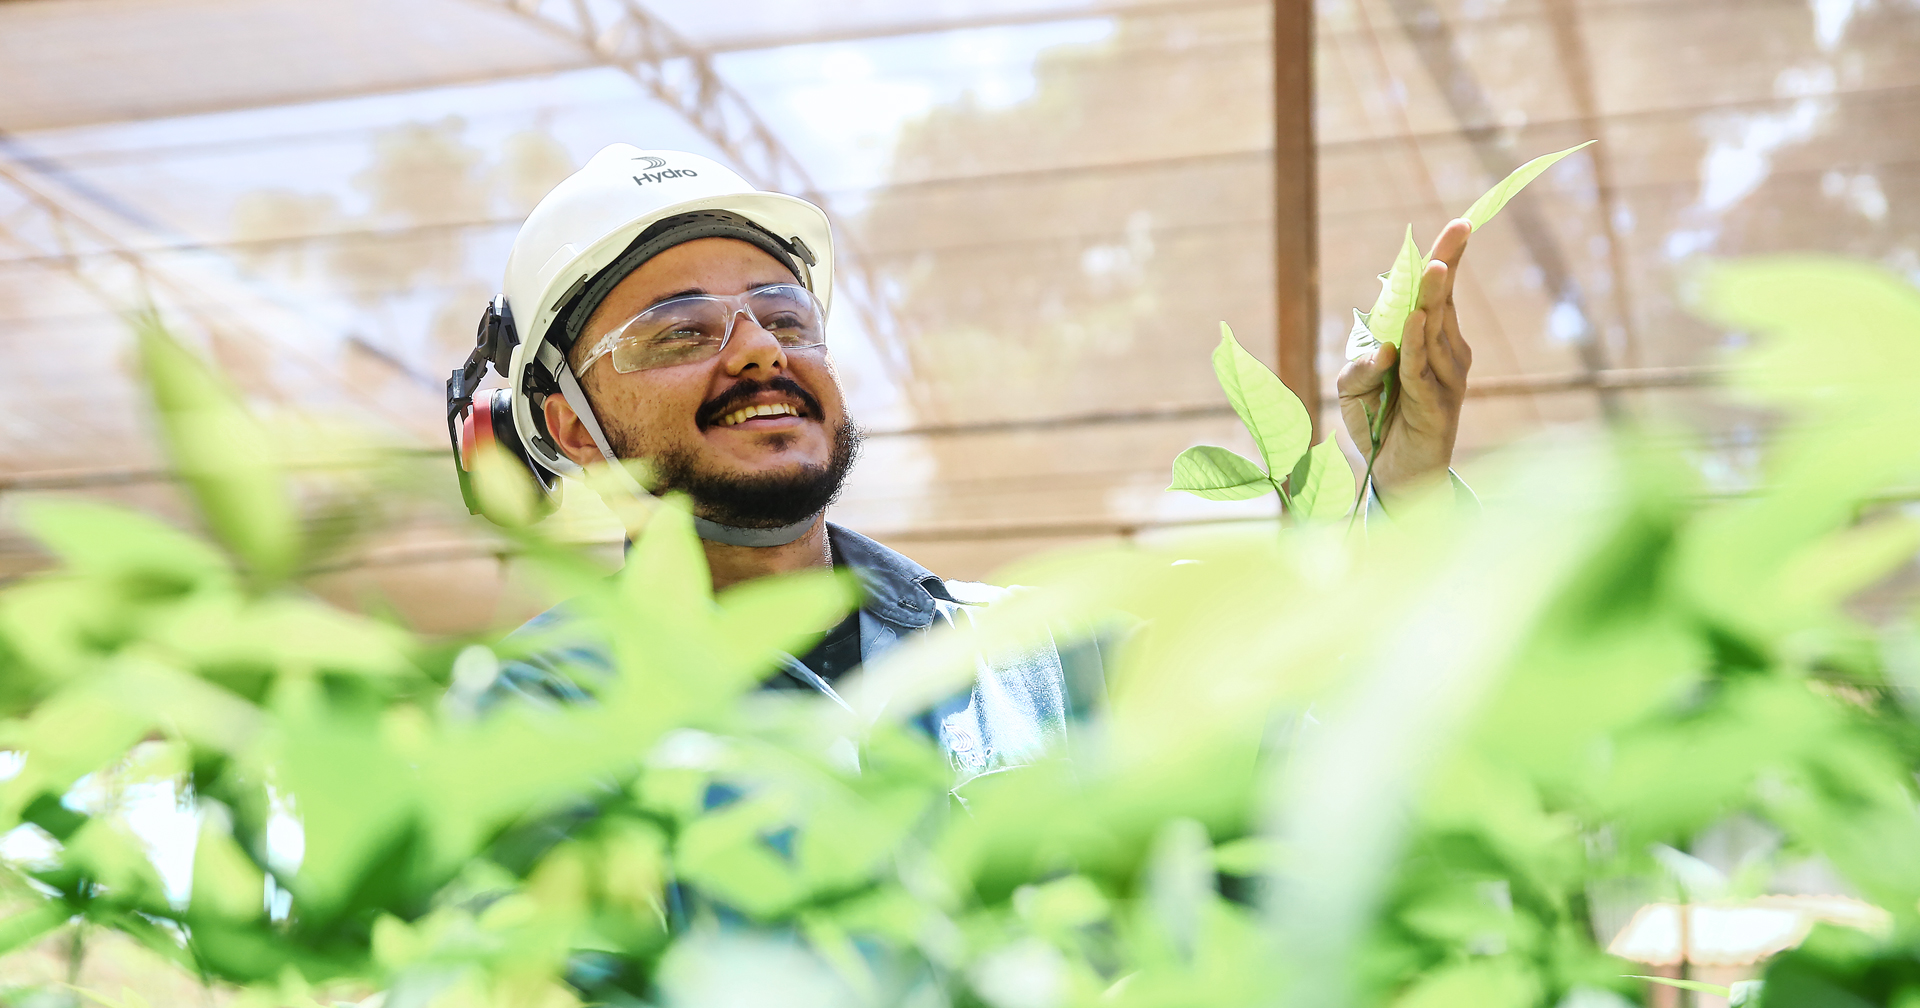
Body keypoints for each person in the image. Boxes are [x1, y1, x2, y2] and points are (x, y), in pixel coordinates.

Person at [451, 143, 1475, 773]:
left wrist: (1411, 486)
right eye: (681, 331)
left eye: (785, 317)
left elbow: (1326, 787)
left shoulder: (1040, 663)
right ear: (573, 426)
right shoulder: (537, 713)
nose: (761, 348)